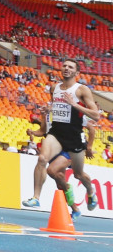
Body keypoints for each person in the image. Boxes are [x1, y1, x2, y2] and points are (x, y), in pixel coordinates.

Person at [21, 59, 100, 219]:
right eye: (64, 65)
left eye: (70, 67)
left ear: (77, 73)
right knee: (43, 160)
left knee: (78, 175)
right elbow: (56, 106)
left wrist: (74, 104)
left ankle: (91, 192)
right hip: (56, 134)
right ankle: (36, 198)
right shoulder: (54, 88)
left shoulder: (81, 90)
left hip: (74, 138)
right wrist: (49, 109)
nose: (66, 68)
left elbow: (96, 116)